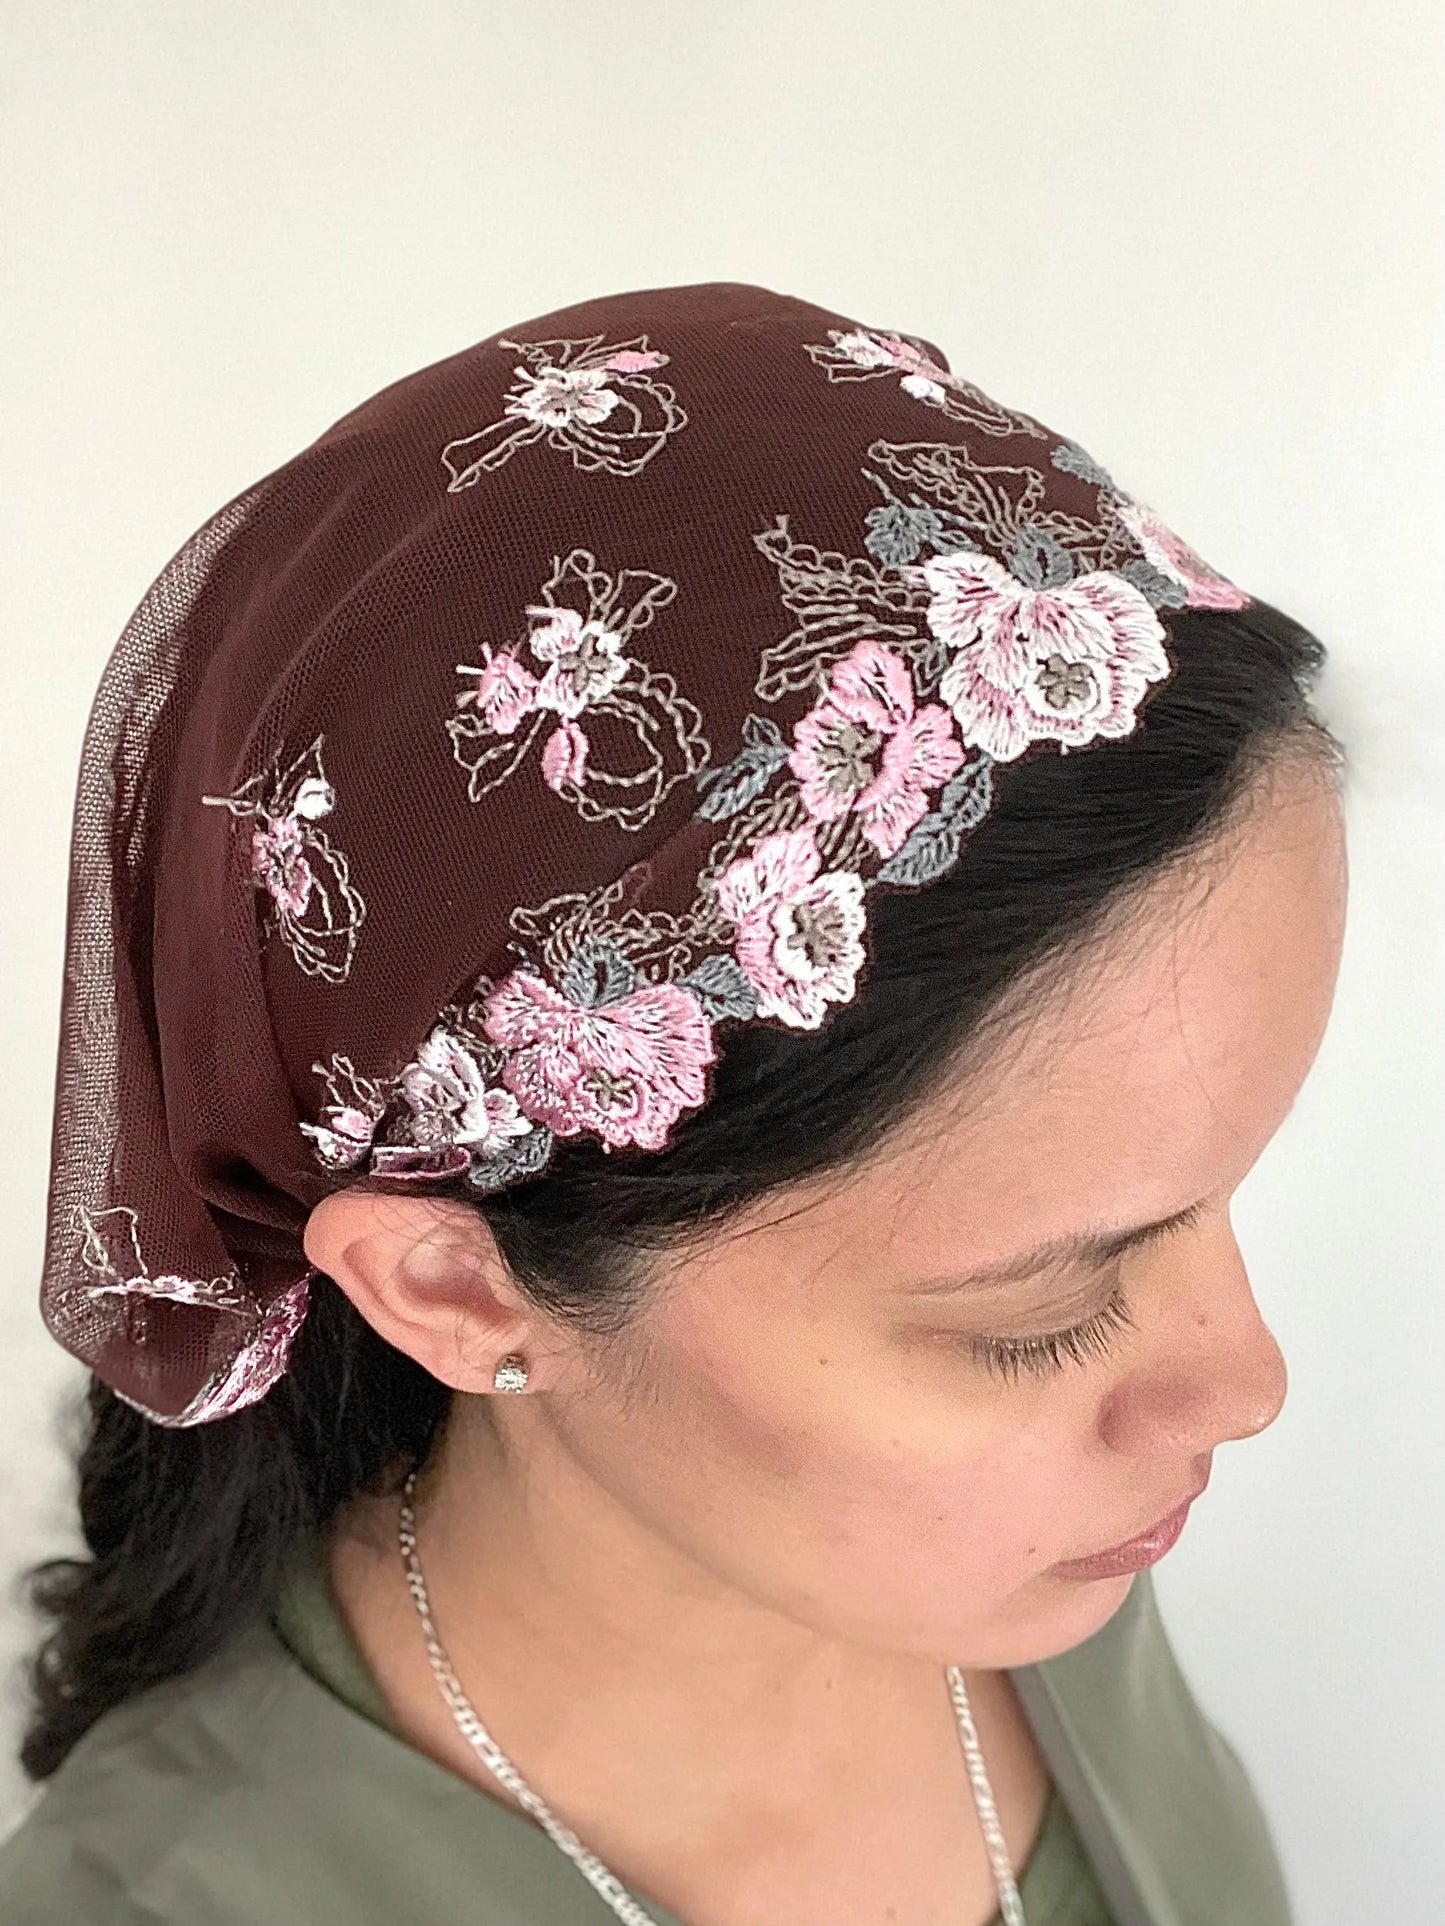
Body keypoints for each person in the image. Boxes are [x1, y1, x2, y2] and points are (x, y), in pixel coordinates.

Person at [1, 281, 1347, 1926]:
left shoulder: (1022, 1566)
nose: (1242, 1380)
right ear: (454, 1284)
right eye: (1041, 1316)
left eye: (1219, 1195)